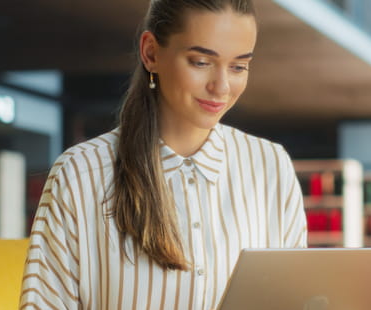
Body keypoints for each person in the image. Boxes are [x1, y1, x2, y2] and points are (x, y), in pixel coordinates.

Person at [18, 0, 307, 309]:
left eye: (239, 66)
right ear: (151, 53)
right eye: (200, 61)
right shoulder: (79, 174)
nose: (221, 87)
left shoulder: (271, 166)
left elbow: (298, 299)